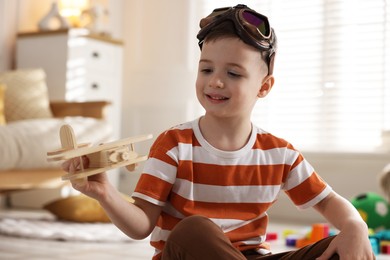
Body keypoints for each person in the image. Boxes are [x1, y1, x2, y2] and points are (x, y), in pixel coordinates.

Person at [63, 4, 374, 260]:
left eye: (233, 73)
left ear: (263, 87)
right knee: (194, 229)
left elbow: (329, 201)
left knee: (344, 246)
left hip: (249, 256)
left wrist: (354, 227)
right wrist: (105, 193)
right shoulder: (174, 144)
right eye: (206, 69)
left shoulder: (280, 153)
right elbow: (141, 224)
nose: (215, 82)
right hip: (189, 253)